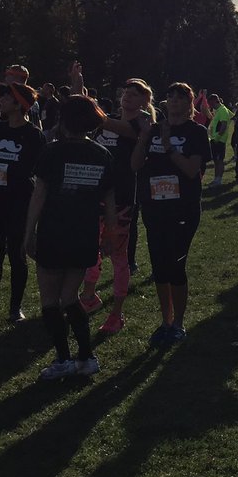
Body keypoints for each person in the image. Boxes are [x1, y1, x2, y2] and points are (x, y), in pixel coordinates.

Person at [24, 95, 116, 379]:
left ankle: (63, 359)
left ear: (63, 120)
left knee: (50, 299)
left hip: (54, 230)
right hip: (84, 232)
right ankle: (86, 357)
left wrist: (29, 232)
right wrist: (109, 234)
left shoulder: (53, 152)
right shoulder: (102, 154)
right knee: (70, 296)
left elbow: (39, 194)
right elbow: (109, 200)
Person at [132, 82, 211, 347]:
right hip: (154, 208)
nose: (174, 100)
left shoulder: (196, 132)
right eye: (171, 96)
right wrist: (145, 137)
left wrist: (167, 146)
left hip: (183, 209)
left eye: (181, 97)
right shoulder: (153, 130)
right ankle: (166, 321)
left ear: (190, 103)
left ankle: (178, 323)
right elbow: (134, 165)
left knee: (176, 267)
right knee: (159, 267)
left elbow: (191, 170)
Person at [79, 78, 154, 335]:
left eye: (135, 94)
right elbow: (88, 122)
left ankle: (116, 314)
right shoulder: (109, 118)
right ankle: (89, 298)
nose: (128, 97)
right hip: (97, 193)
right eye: (126, 92)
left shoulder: (141, 124)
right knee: (91, 247)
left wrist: (86, 100)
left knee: (119, 257)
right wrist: (79, 89)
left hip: (122, 197)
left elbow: (107, 124)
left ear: (144, 101)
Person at [0, 82, 46, 326]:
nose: (0, 101)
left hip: (18, 203)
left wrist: (4, 171)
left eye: (5, 98)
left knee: (17, 255)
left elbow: (31, 169)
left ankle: (15, 308)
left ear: (19, 104)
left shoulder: (33, 135)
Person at [205, 92, 232, 186]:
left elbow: (223, 126)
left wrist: (217, 138)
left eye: (210, 103)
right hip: (215, 139)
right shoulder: (218, 110)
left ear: (213, 101)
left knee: (219, 160)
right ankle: (216, 179)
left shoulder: (223, 110)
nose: (209, 105)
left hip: (219, 140)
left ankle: (219, 180)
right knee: (216, 161)